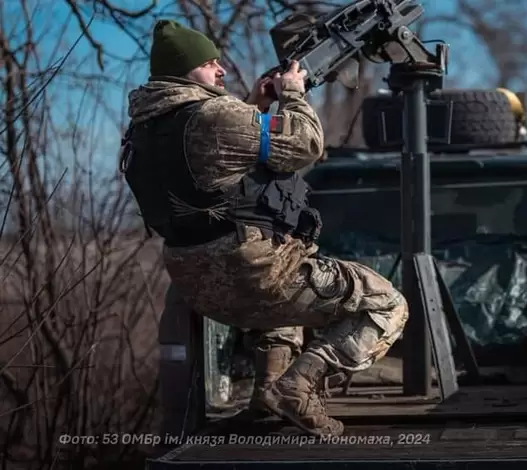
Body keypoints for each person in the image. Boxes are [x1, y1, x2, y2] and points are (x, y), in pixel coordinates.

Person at [119, 19, 409, 437]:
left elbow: (213, 159)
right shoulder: (215, 114)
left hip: (197, 288)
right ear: (183, 70)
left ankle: (267, 396)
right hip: (254, 272)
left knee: (281, 300)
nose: (220, 70)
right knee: (387, 304)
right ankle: (300, 383)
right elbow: (306, 144)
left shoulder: (143, 130)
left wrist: (253, 103)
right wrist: (292, 91)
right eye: (209, 63)